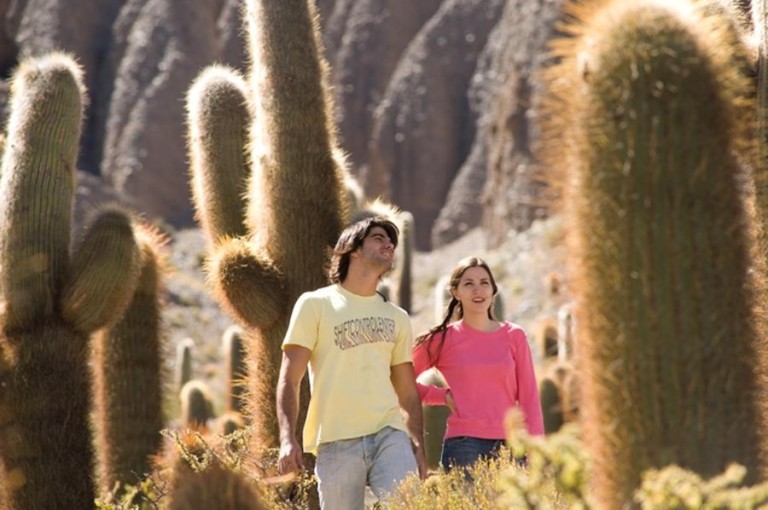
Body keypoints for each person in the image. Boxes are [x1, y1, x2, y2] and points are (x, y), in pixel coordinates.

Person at [276, 216, 427, 509]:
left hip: (389, 435)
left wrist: (419, 445)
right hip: (336, 440)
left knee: (408, 505)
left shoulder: (397, 317)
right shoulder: (315, 305)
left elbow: (407, 390)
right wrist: (287, 438)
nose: (389, 245)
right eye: (379, 238)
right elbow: (289, 379)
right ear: (353, 249)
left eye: (392, 242)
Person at [413, 256, 544, 472]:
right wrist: (442, 396)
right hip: (464, 447)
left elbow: (529, 398)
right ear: (455, 292)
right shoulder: (442, 339)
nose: (478, 290)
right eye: (468, 284)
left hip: (512, 447)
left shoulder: (514, 336)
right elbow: (401, 380)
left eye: (484, 283)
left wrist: (536, 452)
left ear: (493, 290)